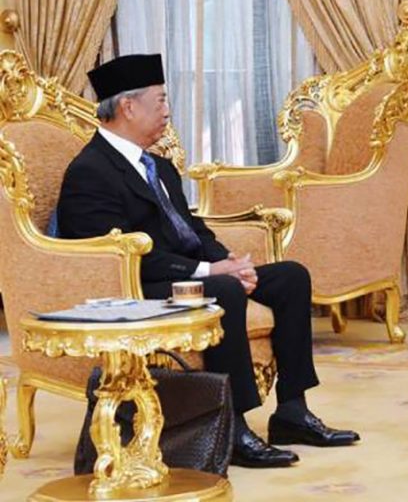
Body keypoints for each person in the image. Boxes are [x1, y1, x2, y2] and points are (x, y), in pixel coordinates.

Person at [57, 54, 360, 468]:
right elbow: (118, 254)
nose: (168, 111)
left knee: (291, 276)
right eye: (160, 101)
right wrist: (210, 272)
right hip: (135, 286)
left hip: (184, 275)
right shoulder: (90, 171)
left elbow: (191, 229)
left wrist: (229, 261)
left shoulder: (159, 167)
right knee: (223, 289)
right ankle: (233, 428)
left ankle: (293, 411)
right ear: (128, 106)